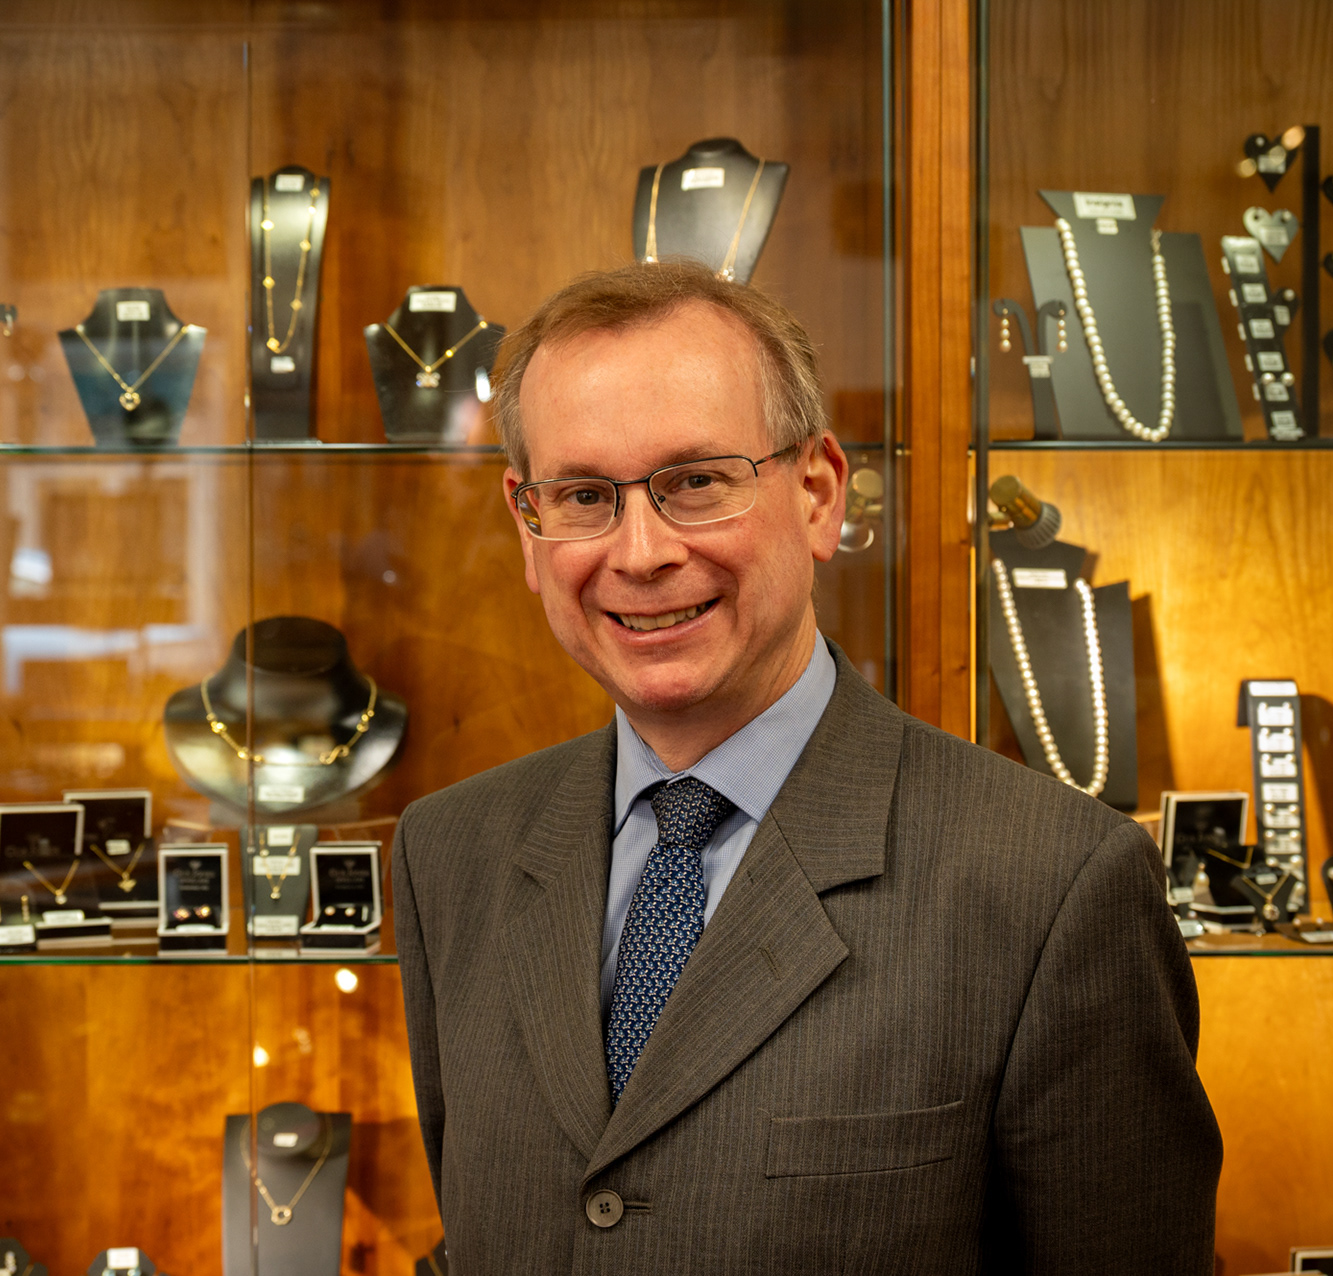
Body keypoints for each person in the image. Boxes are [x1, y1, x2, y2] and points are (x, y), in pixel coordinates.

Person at [392, 261, 1221, 1274]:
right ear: (529, 527)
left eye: (695, 482)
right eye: (585, 495)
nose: (641, 551)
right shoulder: (451, 855)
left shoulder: (1051, 887)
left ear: (820, 494)